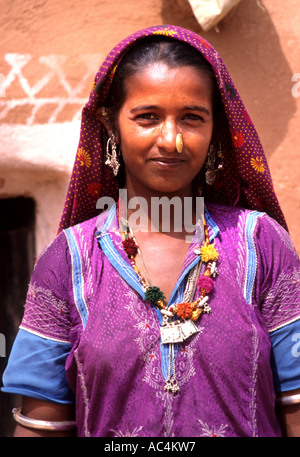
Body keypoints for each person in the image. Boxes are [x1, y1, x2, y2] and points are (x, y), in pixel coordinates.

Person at [2, 25, 300, 438]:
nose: (172, 140)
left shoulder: (261, 245)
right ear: (111, 125)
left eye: (192, 118)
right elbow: (41, 427)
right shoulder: (67, 261)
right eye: (148, 117)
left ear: (216, 130)